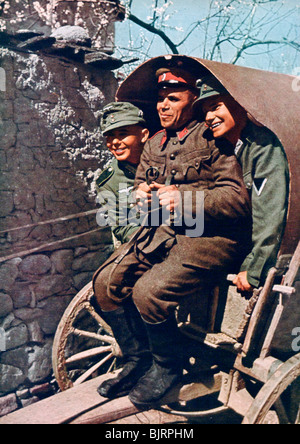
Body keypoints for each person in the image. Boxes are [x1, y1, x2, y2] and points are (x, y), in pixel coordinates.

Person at [92, 63, 252, 406]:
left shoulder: (211, 139)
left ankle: (168, 364)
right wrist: (141, 193)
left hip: (209, 238)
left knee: (148, 292)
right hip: (163, 230)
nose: (163, 106)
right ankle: (140, 358)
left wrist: (185, 199)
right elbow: (140, 182)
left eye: (173, 98)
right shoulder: (156, 143)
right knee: (105, 284)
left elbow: (237, 199)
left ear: (191, 100)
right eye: (160, 99)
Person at [195, 75, 289, 291]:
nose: (209, 117)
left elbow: (270, 213)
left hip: (265, 257)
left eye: (216, 107)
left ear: (239, 103)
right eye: (205, 112)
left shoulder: (262, 148)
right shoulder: (227, 148)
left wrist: (255, 270)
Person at [95, 102, 149, 244]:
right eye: (110, 136)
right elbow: (122, 227)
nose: (115, 142)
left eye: (123, 134)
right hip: (145, 242)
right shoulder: (109, 183)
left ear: (143, 135)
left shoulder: (164, 160)